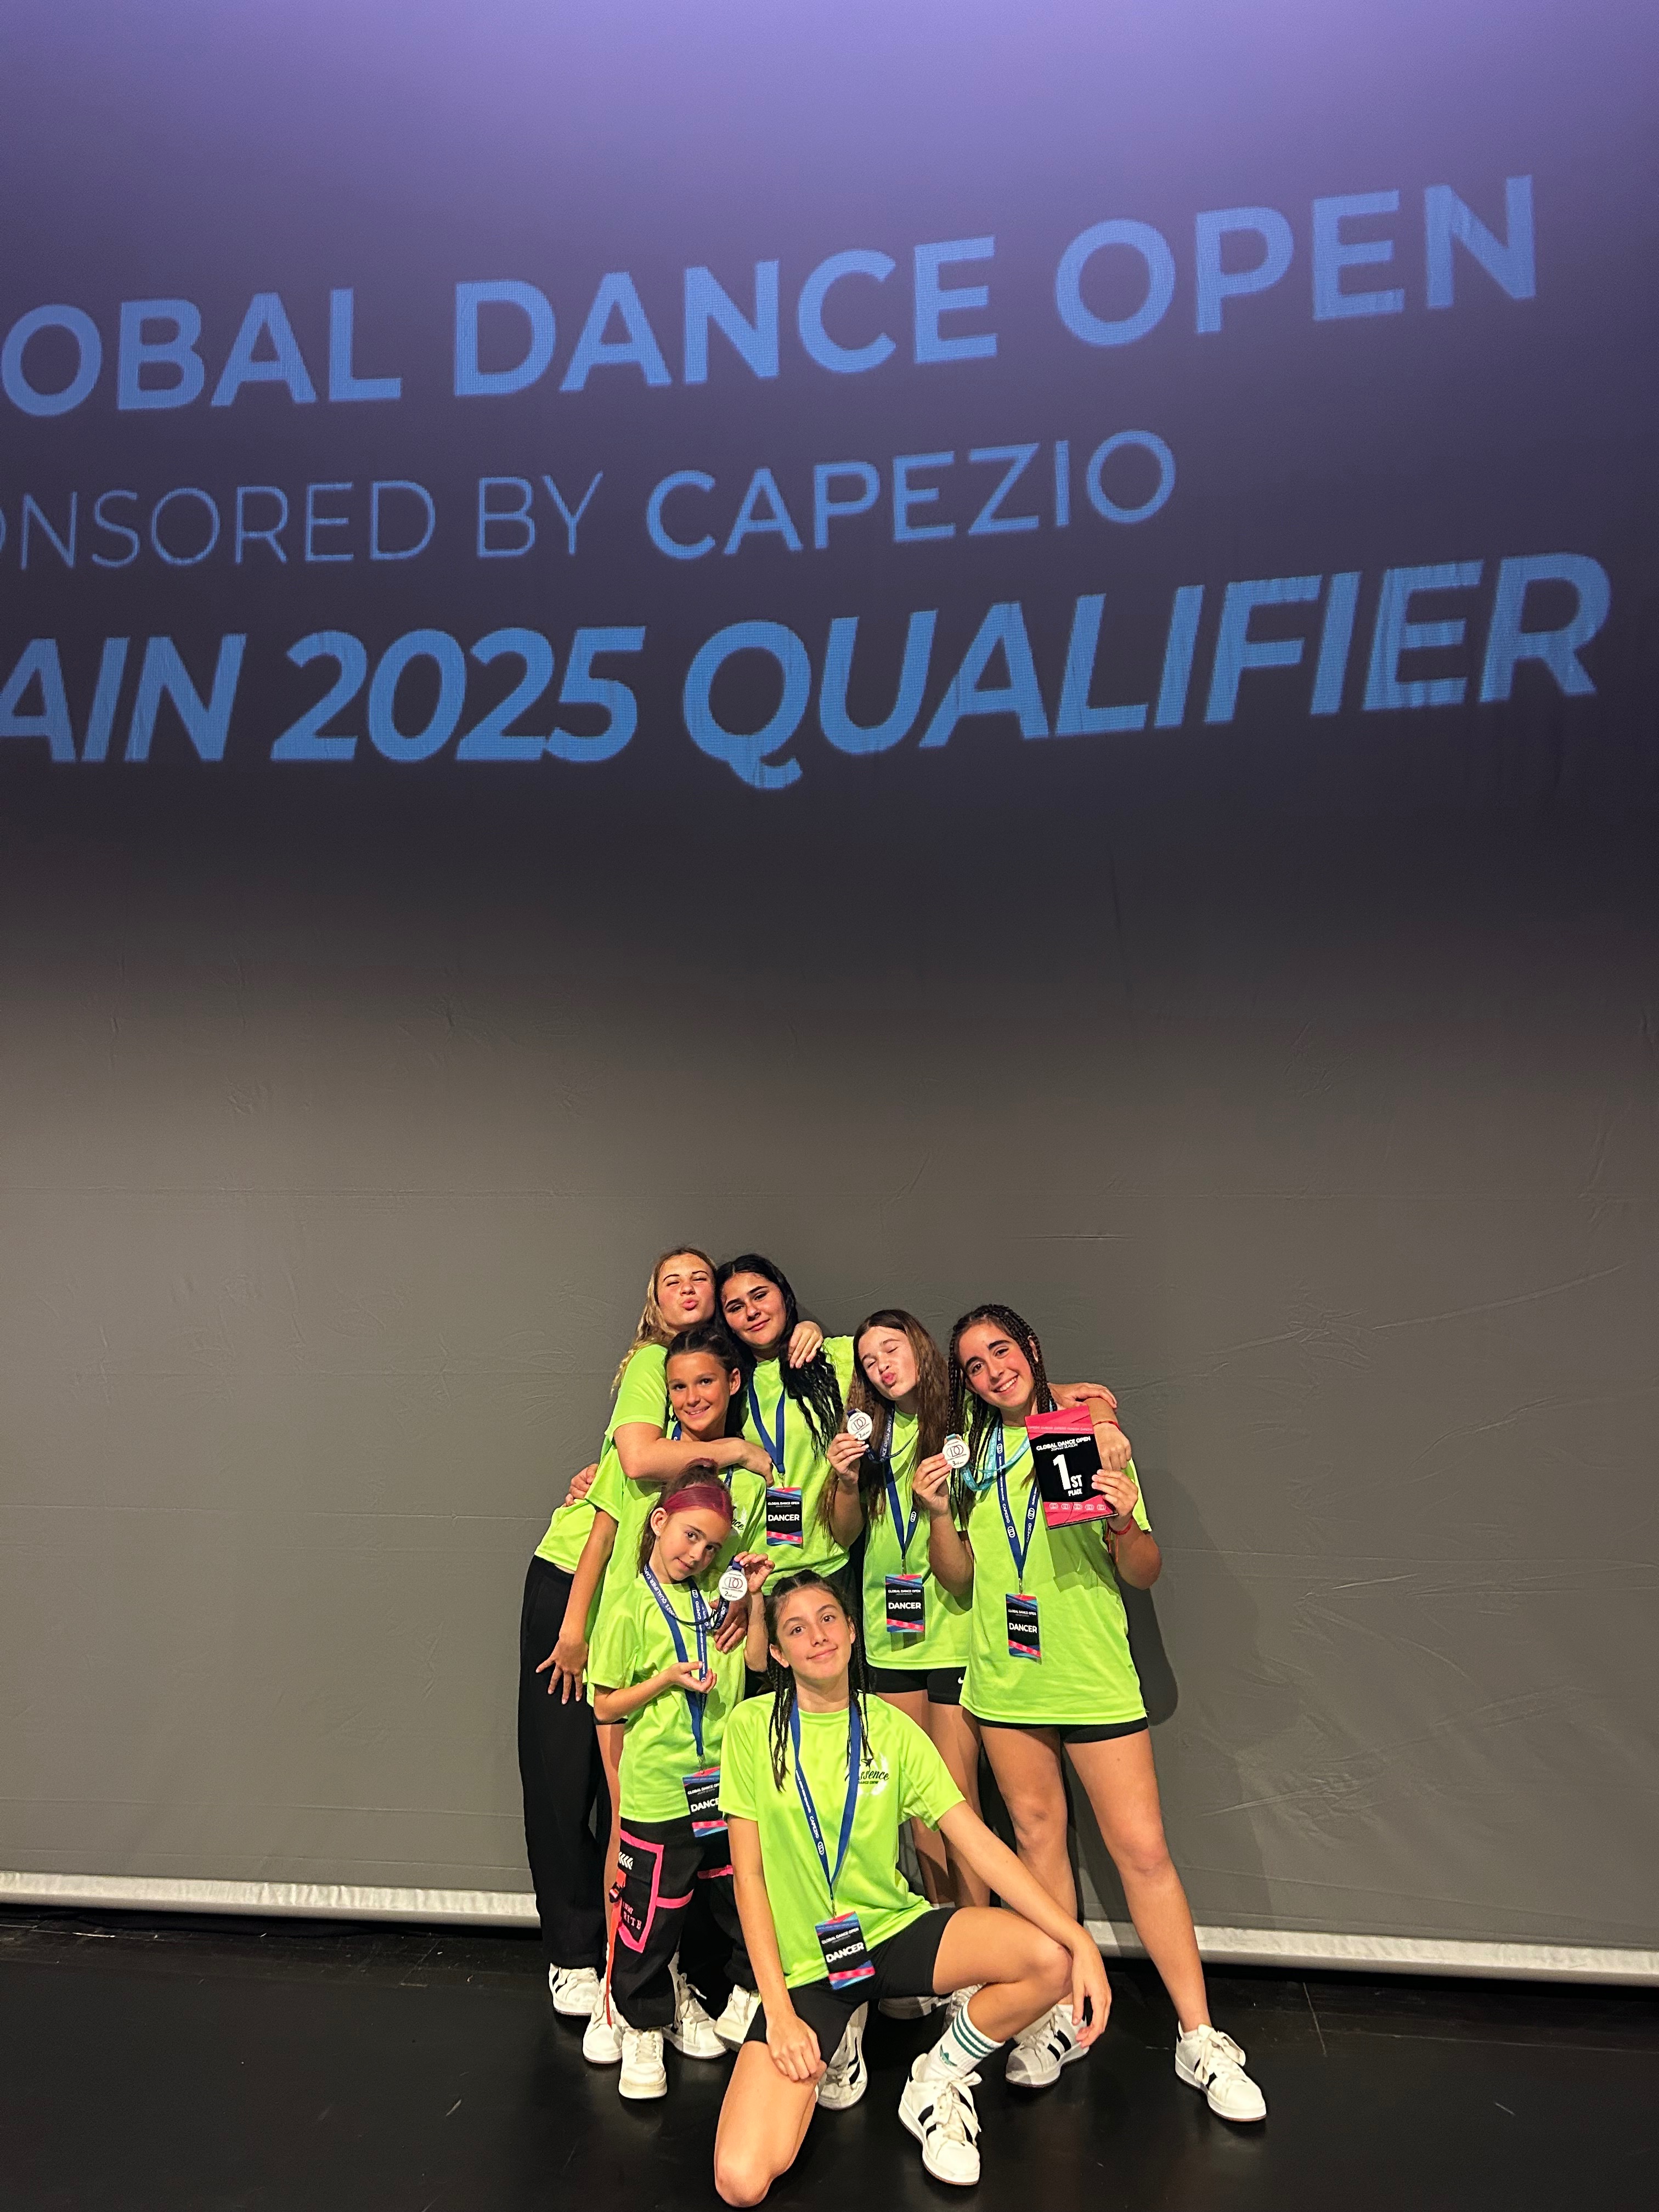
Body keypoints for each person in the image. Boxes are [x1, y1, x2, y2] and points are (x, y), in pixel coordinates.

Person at [919, 1303, 1267, 2123]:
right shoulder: (969, 1458)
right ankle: (1054, 2020)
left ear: (1031, 1348)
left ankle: (1199, 2036)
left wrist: (1122, 1519)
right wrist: (937, 1514)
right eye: (974, 1365)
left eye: (1001, 1350)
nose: (992, 1371)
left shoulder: (1087, 1434)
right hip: (1006, 1681)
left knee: (1142, 1851)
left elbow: (1142, 1569)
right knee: (1037, 1841)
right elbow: (959, 1578)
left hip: (1093, 1673)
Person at [712, 1570, 1113, 2204]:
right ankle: (834, 2036)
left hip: (891, 1932)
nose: (818, 1636)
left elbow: (977, 1843)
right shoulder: (751, 1728)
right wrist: (782, 2016)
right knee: (741, 2180)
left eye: (828, 1619)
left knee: (1050, 1959)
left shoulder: (893, 1730)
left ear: (852, 1632)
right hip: (809, 1968)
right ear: (780, 1654)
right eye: (797, 1628)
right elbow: (750, 1879)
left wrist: (1078, 1939)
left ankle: (934, 2080)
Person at [523, 1247, 814, 2066]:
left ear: (729, 1382)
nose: (690, 1397)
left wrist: (746, 1602)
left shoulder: (746, 1482)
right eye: (679, 1389)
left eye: (704, 1385)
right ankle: (616, 1990)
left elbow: (741, 1568)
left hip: (694, 1678)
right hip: (613, 1643)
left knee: (689, 1846)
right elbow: (603, 1531)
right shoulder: (654, 1453)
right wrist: (575, 1631)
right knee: (616, 1816)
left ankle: (673, 1982)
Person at [837, 1308, 1125, 1915]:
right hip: (891, 1638)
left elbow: (1032, 1393)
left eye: (892, 1348)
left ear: (921, 1347)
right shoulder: (868, 1435)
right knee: (919, 1803)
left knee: (958, 1801)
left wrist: (1091, 1407)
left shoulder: (962, 1419)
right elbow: (843, 1534)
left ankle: (982, 1937)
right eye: (868, 1361)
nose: (882, 1365)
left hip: (958, 1630)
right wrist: (842, 1480)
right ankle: (952, 1936)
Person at [590, 1480, 774, 2098]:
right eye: (690, 1536)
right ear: (659, 1521)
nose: (697, 1555)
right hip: (660, 1791)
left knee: (738, 1895)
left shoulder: (719, 1600)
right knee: (653, 1915)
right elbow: (605, 1704)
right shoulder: (628, 1605)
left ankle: (747, 1994)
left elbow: (754, 1666)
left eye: (711, 1547)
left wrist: (756, 1599)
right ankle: (642, 2023)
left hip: (723, 1787)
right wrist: (665, 1680)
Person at [715, 1255, 860, 1585]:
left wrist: (810, 1328)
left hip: (829, 1569)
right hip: (754, 1574)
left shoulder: (837, 1358)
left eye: (760, 1295)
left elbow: (909, 1363)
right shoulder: (728, 1383)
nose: (752, 1311)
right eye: (736, 1307)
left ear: (783, 1294)